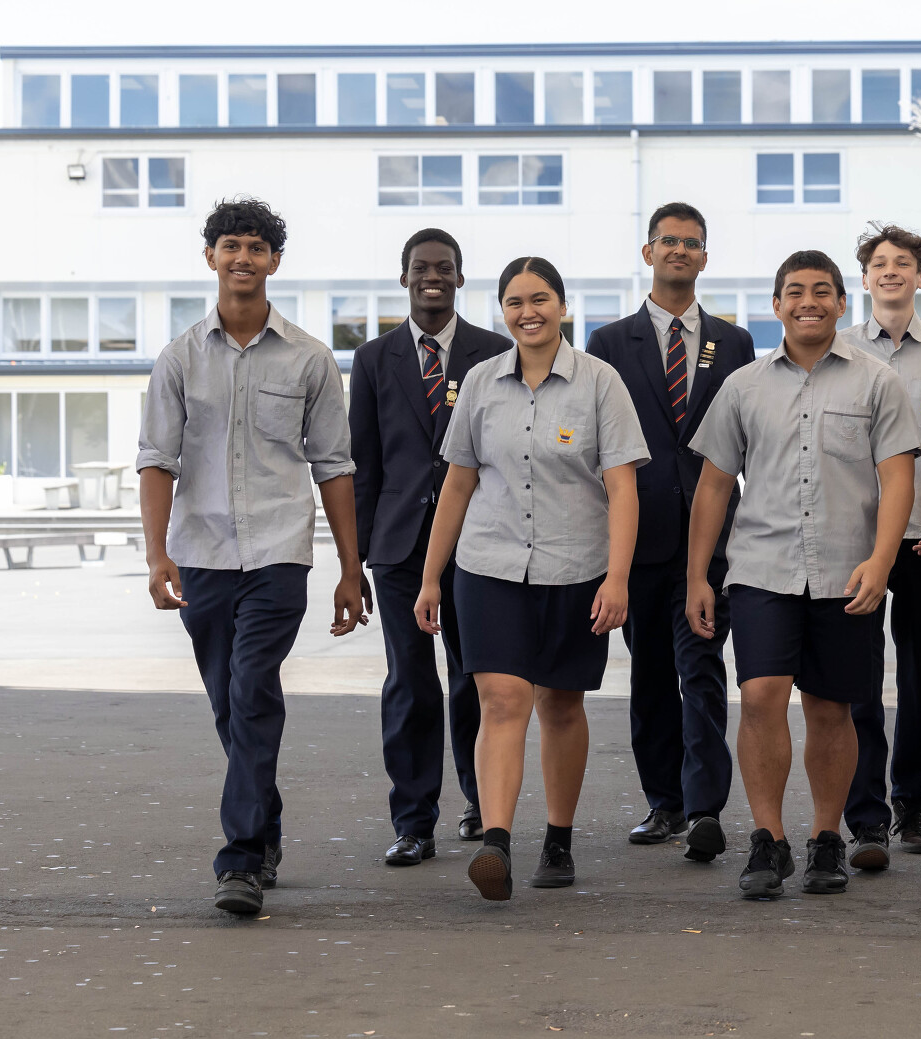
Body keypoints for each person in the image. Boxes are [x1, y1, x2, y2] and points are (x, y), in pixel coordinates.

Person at [137, 198, 368, 916]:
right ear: (211, 256)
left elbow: (334, 466)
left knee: (252, 689)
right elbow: (156, 459)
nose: (243, 258)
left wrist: (350, 568)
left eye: (257, 247)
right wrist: (156, 556)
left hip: (277, 553)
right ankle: (263, 825)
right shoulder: (179, 357)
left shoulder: (309, 358)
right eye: (231, 245)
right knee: (228, 703)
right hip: (201, 554)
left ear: (275, 262)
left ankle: (238, 858)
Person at [685, 250, 920, 899]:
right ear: (777, 304)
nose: (808, 301)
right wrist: (698, 575)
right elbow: (712, 486)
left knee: (830, 708)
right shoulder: (744, 386)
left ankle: (824, 838)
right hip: (762, 568)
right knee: (761, 697)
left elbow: (898, 477)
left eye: (821, 291)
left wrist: (882, 559)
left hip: (846, 571)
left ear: (842, 303)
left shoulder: (877, 382)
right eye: (795, 291)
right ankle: (768, 838)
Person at [415, 256, 649, 902]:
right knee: (501, 699)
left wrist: (618, 578)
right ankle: (495, 841)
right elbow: (457, 483)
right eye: (515, 302)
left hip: (576, 569)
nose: (528, 312)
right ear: (503, 311)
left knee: (561, 704)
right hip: (488, 567)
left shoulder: (600, 382)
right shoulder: (481, 382)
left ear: (562, 306)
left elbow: (623, 488)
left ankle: (558, 837)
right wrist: (431, 577)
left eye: (540, 299)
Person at [586, 202, 756, 863]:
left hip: (713, 541)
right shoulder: (609, 343)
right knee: (652, 675)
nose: (679, 250)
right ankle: (664, 803)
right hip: (640, 536)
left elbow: (746, 438)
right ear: (648, 252)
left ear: (705, 257)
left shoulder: (735, 344)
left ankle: (705, 806)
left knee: (703, 667)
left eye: (691, 242)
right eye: (668, 240)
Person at [349, 228, 513, 867]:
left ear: (460, 278)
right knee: (410, 683)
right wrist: (357, 558)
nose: (433, 277)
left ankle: (479, 800)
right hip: (397, 549)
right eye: (421, 268)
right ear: (404, 278)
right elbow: (363, 465)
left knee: (474, 678)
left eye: (444, 268)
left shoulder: (494, 352)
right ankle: (414, 822)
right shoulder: (373, 359)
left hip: (477, 544)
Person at [839, 223, 921, 868]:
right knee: (857, 681)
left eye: (903, 263)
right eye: (879, 263)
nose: (890, 271)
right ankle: (865, 816)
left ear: (920, 276)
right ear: (864, 279)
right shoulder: (837, 349)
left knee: (919, 678)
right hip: (855, 541)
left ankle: (911, 806)